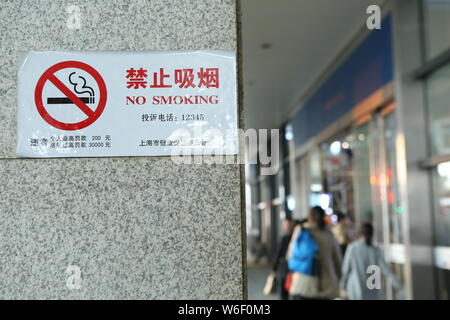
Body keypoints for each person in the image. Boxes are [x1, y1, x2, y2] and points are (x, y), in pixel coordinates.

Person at [287, 206, 342, 300]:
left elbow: (290, 255)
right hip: (326, 287)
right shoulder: (329, 235)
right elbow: (338, 261)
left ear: (309, 216)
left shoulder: (301, 231)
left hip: (303, 285)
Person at [340, 222, 402, 300]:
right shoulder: (376, 250)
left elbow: (346, 269)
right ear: (372, 234)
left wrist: (343, 286)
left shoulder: (352, 248)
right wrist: (396, 283)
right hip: (372, 291)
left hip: (355, 289)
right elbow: (386, 269)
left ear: (361, 233)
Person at [271, 217, 295, 300]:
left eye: (287, 224)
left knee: (283, 293)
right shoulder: (296, 237)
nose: (286, 226)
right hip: (293, 268)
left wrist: (274, 268)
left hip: (284, 268)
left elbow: (278, 254)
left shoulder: (285, 238)